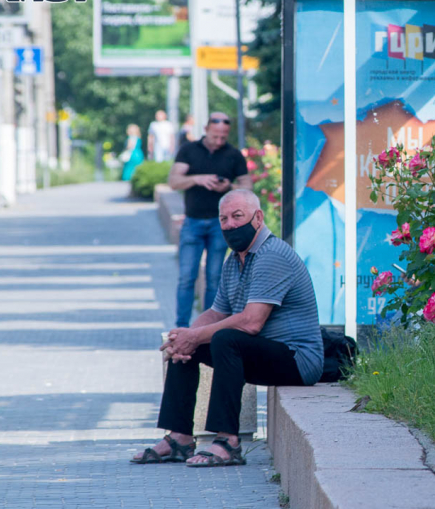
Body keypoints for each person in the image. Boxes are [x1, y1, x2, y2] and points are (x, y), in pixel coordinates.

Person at [130, 189, 324, 466]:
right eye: (224, 219)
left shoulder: (273, 255)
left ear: (258, 217)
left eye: (237, 216)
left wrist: (195, 336)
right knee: (187, 342)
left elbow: (251, 322)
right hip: (261, 353)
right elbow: (215, 312)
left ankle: (228, 442)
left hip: (297, 360)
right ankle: (179, 438)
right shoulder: (235, 260)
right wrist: (185, 338)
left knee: (225, 339)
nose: (230, 224)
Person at [168, 112, 251, 328]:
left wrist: (229, 187)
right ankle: (181, 326)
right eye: (215, 136)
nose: (219, 141)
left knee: (214, 278)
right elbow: (173, 181)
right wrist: (197, 179)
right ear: (206, 130)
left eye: (223, 137)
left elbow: (248, 186)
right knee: (187, 277)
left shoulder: (233, 154)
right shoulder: (189, 150)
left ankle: (206, 328)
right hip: (193, 222)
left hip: (220, 224)